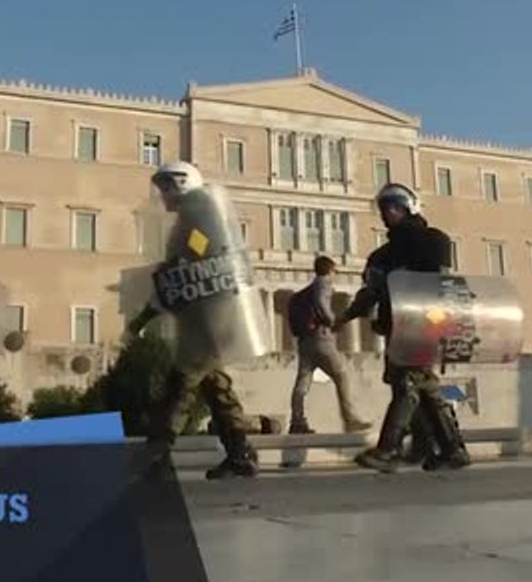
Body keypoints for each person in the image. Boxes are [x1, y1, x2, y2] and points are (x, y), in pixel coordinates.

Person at [126, 162, 259, 479]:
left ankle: (156, 454)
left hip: (207, 322)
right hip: (209, 320)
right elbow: (181, 269)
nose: (163, 196)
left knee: (179, 386)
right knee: (218, 389)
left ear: (181, 185)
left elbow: (191, 268)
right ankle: (240, 454)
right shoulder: (198, 218)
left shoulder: (198, 220)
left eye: (166, 188)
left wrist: (145, 314)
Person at [336, 183, 471, 473]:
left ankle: (389, 449)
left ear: (408, 208)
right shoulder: (381, 256)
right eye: (384, 209)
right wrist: (344, 317)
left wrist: (446, 329)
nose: (387, 214)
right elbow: (370, 292)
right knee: (422, 386)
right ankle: (451, 449)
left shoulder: (432, 241)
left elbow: (441, 286)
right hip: (397, 328)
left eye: (393, 207)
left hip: (423, 324)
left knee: (408, 383)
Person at [287, 255, 372, 434]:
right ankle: (350, 420)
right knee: (341, 375)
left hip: (305, 341)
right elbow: (321, 302)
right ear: (330, 270)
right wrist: (332, 320)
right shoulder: (323, 283)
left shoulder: (308, 288)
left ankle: (297, 421)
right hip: (321, 340)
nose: (335, 275)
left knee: (303, 383)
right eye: (335, 271)